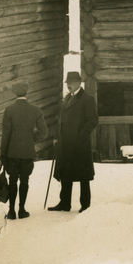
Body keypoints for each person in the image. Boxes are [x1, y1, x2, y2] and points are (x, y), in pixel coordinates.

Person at [49, 71, 98, 213]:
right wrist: (57, 137)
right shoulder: (67, 99)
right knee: (65, 173)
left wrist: (80, 137)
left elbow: (93, 121)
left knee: (83, 175)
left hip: (79, 144)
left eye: (71, 83)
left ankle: (85, 205)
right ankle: (64, 203)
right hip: (65, 143)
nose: (68, 85)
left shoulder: (87, 99)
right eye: (67, 83)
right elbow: (61, 122)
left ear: (78, 83)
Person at [0, 80, 48, 220]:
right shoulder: (35, 110)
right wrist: (32, 139)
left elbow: (5, 134)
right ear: (26, 91)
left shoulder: (9, 110)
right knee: (25, 180)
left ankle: (11, 212)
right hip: (27, 152)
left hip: (12, 152)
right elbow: (44, 132)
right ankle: (22, 210)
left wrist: (3, 153)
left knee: (12, 180)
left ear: (15, 93)